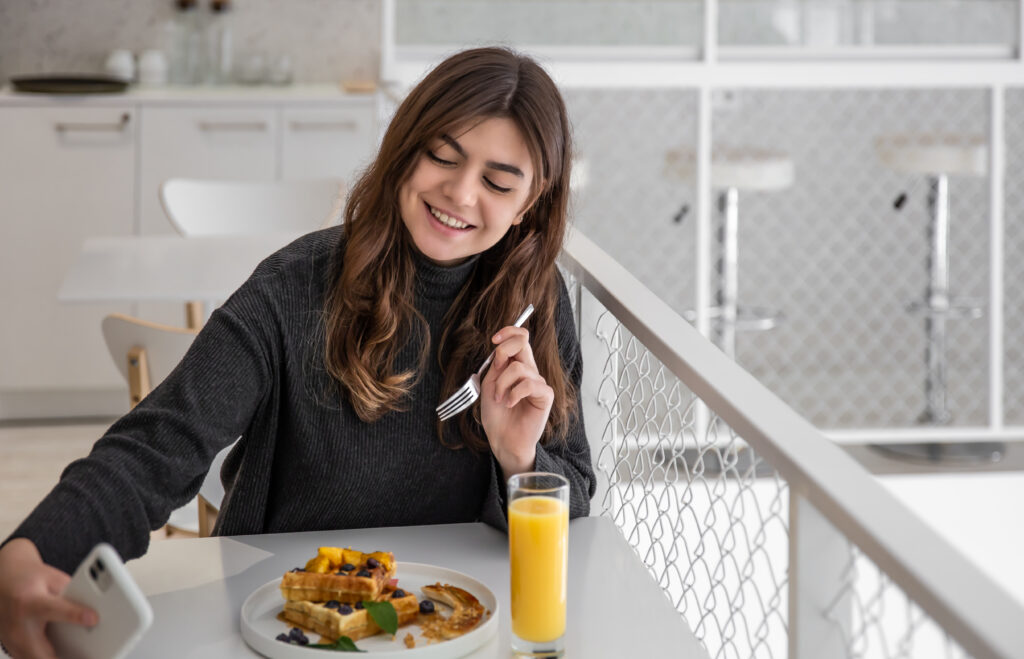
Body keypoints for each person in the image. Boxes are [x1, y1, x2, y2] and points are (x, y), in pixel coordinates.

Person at [0, 46, 595, 658]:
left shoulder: (536, 305)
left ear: (531, 202)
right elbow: (160, 444)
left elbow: (574, 488)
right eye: (442, 155)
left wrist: (518, 459)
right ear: (404, 149)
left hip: (455, 631)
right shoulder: (294, 287)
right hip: (285, 628)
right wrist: (33, 550)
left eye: (498, 181)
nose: (462, 193)